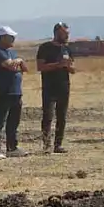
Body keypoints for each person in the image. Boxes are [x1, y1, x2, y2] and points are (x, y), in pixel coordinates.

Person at [0, 26, 29, 160]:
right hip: (2, 92)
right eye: (11, 37)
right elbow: (10, 66)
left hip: (15, 92)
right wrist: (18, 62)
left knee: (13, 122)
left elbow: (25, 68)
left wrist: (19, 61)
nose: (13, 39)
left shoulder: (12, 52)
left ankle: (12, 147)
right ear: (3, 38)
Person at [36, 22, 74, 153]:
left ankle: (58, 144)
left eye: (68, 33)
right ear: (57, 33)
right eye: (65, 33)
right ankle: (46, 144)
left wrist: (68, 67)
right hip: (49, 87)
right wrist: (58, 65)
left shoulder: (67, 49)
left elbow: (73, 68)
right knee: (48, 116)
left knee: (62, 116)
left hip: (64, 86)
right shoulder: (45, 48)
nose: (67, 36)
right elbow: (40, 67)